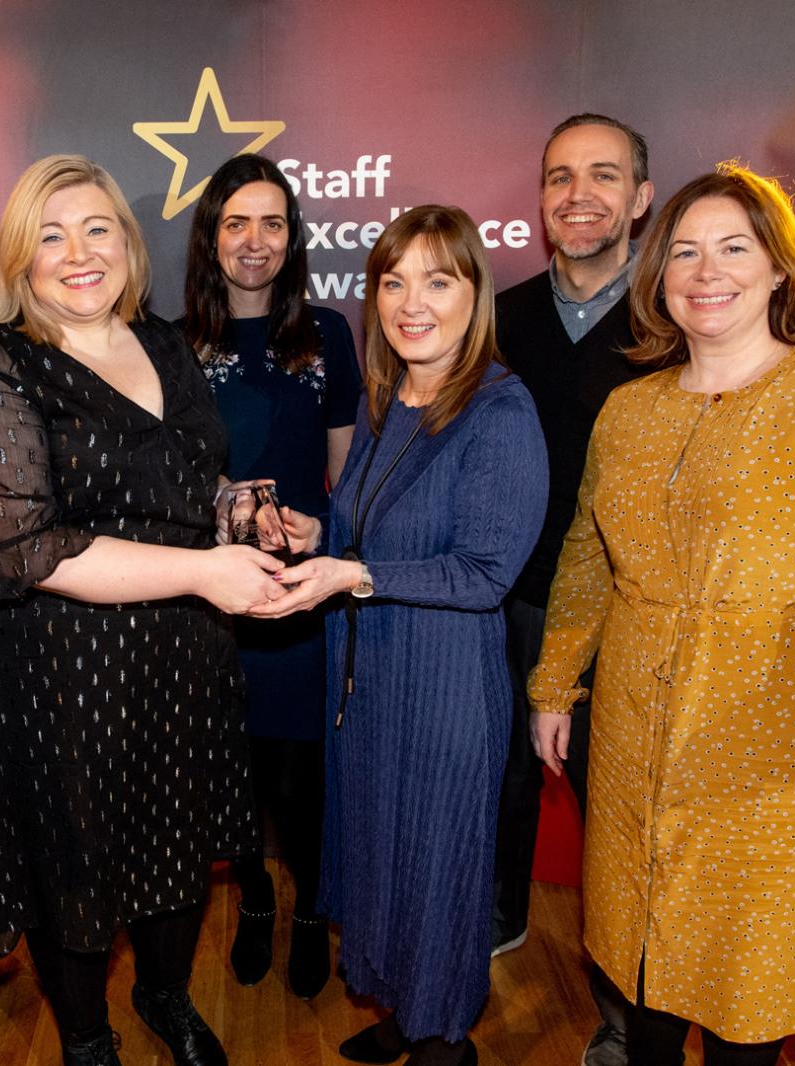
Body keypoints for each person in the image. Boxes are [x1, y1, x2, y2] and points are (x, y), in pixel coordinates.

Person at [528, 163, 795, 1066]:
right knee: (640, 980)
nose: (706, 272)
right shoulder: (627, 410)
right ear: (658, 276)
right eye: (683, 252)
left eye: (733, 248)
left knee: (745, 999)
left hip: (773, 752)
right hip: (631, 741)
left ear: (780, 267)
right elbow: (588, 557)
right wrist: (554, 683)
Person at [0, 154, 285, 1066]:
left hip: (178, 653)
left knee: (178, 841)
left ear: (128, 246)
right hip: (59, 667)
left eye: (97, 229)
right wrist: (204, 572)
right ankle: (87, 1040)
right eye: (50, 236)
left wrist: (241, 509)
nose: (78, 252)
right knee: (75, 865)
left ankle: (164, 995)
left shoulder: (162, 342)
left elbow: (192, 473)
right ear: (21, 258)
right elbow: (27, 546)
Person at [250, 205, 547, 1066]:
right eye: (393, 282)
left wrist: (351, 576)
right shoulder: (386, 400)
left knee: (435, 872)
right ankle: (405, 1011)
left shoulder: (498, 411)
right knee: (383, 860)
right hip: (370, 683)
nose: (411, 303)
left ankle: (443, 1040)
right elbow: (371, 531)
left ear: (473, 294)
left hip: (444, 691)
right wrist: (320, 535)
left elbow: (484, 573)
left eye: (437, 281)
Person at [490, 112, 655, 1066]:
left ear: (640, 198)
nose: (577, 194)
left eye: (603, 175)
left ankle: (624, 1016)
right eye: (559, 176)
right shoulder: (500, 318)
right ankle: (499, 916)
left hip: (629, 614)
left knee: (618, 816)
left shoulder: (681, 317)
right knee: (503, 773)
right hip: (513, 595)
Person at [179, 153, 362, 998]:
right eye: (236, 222)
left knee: (299, 778)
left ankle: (314, 910)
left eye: (272, 223)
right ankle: (253, 897)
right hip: (210, 600)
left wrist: (327, 531)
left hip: (299, 597)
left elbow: (347, 476)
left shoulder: (326, 335)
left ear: (292, 238)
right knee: (232, 770)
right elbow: (163, 478)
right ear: (210, 236)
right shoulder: (174, 345)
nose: (254, 241)